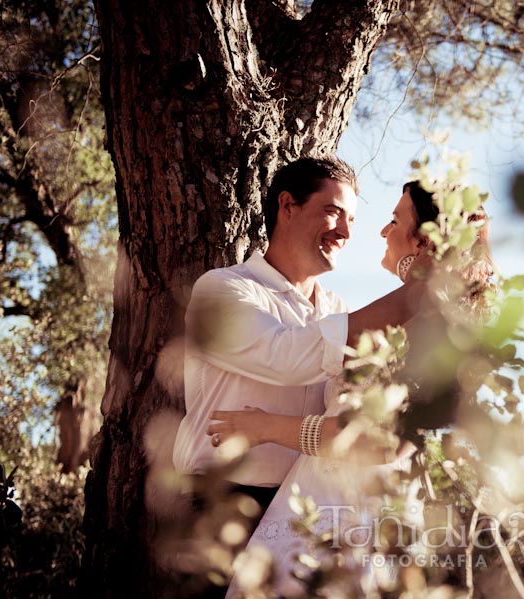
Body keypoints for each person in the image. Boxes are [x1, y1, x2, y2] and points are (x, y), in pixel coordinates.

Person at [210, 181, 495, 598]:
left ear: (425, 240)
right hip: (319, 501)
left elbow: (384, 443)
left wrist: (265, 426)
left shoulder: (439, 329)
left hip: (352, 518)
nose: (383, 232)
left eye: (395, 221)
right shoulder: (404, 318)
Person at [172, 157, 429, 517]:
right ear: (288, 205)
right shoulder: (222, 289)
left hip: (304, 511)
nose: (345, 232)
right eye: (333, 212)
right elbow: (286, 358)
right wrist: (426, 289)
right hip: (217, 506)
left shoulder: (340, 311)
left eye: (351, 220)